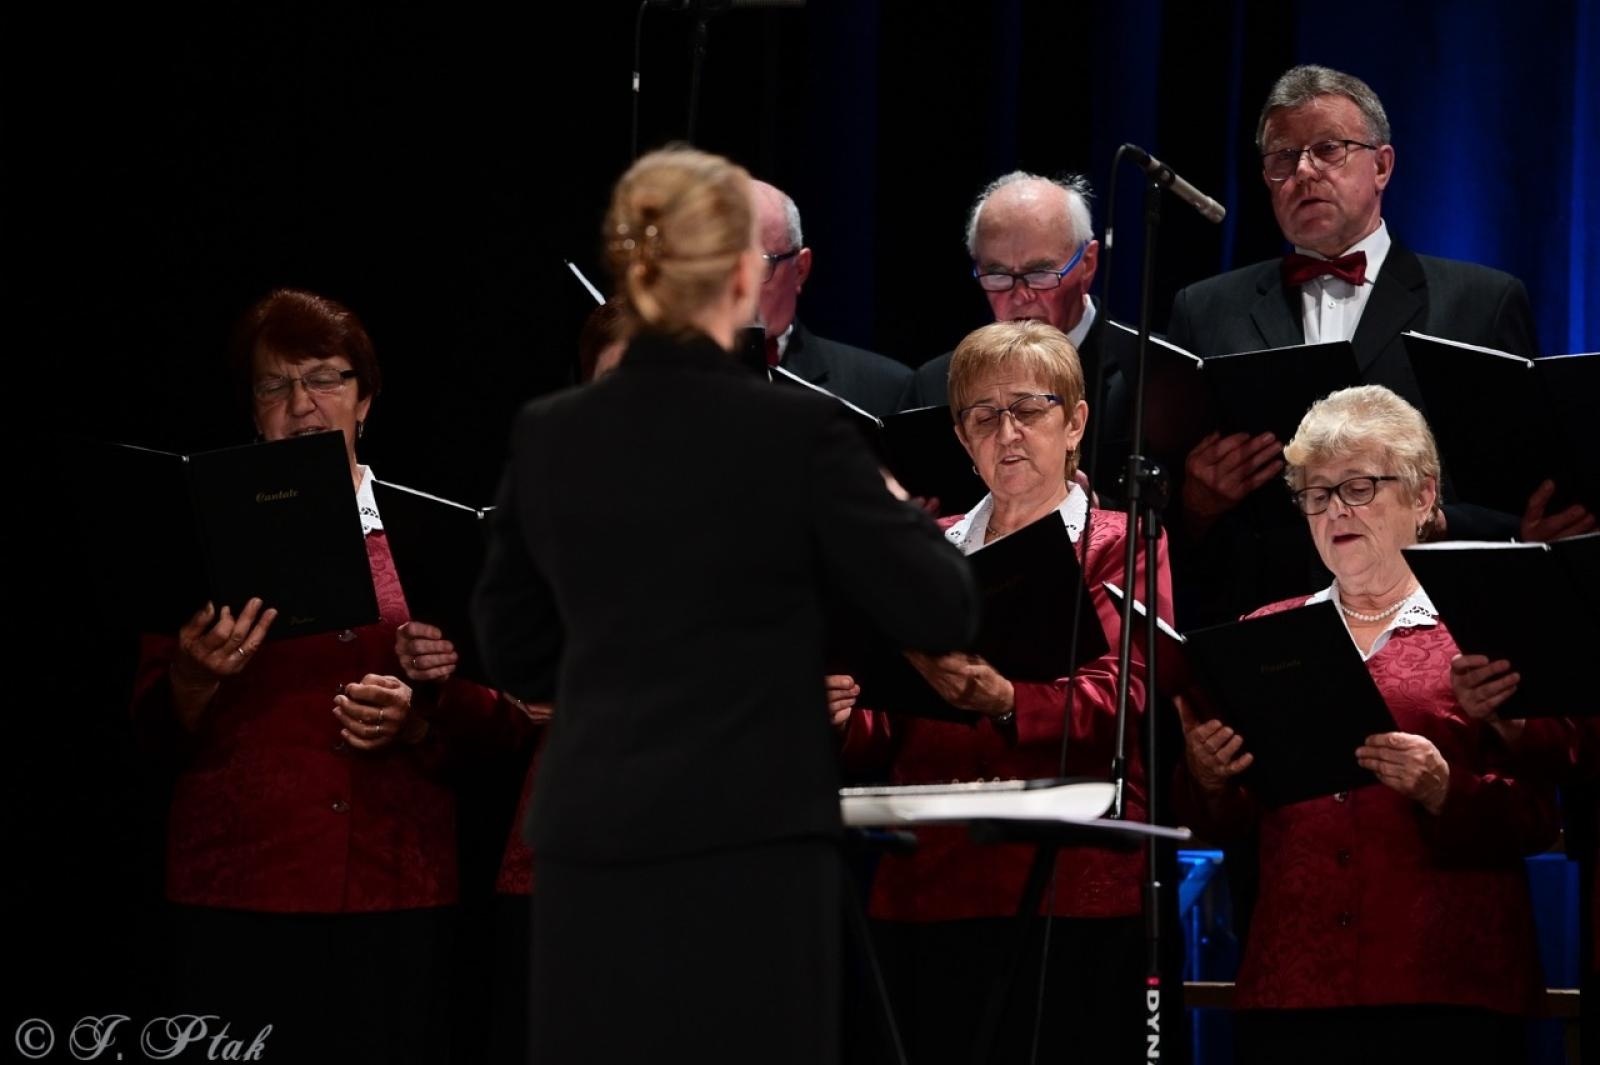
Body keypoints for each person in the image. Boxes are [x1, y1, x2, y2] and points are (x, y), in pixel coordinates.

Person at [470, 146, 977, 1065]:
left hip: (595, 837)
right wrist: (897, 513)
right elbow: (943, 608)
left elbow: (512, 646)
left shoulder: (551, 432)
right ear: (745, 275)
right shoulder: (799, 429)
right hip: (755, 843)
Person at [129, 288, 528, 1063]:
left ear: (365, 399)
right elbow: (145, 726)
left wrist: (423, 713)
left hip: (395, 890)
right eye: (274, 385)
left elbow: (512, 722)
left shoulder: (440, 535)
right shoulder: (198, 534)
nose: (301, 404)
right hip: (237, 888)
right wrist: (192, 676)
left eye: (324, 379)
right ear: (252, 409)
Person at [1175, 385, 1556, 1064]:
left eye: (1358, 486)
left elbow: (1543, 813)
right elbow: (1229, 820)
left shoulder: (1484, 627)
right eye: (1316, 494)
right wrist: (1208, 780)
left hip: (1447, 988)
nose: (1335, 510)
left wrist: (1446, 788)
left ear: (1421, 494)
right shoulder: (1263, 634)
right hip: (1293, 991)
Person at [838, 319, 1172, 1064]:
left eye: (1029, 408)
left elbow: (1129, 698)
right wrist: (839, 717)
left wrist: (1008, 699)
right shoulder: (924, 548)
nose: (1007, 431)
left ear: (1076, 421)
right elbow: (886, 725)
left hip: (1068, 885)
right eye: (983, 416)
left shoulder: (1122, 540)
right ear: (961, 437)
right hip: (927, 880)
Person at [1165, 63, 1594, 627]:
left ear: (1382, 165)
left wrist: (1443, 521)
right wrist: (1195, 501)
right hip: (1263, 622)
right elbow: (1161, 498)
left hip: (1436, 622)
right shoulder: (1203, 308)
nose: (1304, 171)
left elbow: (1523, 499)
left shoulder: (1481, 302)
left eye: (1328, 149)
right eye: (1282, 158)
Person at [900, 171, 1129, 496]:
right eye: (997, 275)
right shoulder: (935, 383)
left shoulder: (1147, 373)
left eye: (1039, 273)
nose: (1020, 296)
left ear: (1088, 264)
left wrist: (1098, 515)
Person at [753, 178, 911, 417]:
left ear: (800, 269)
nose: (733, 288)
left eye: (757, 266)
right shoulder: (676, 375)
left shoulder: (884, 389)